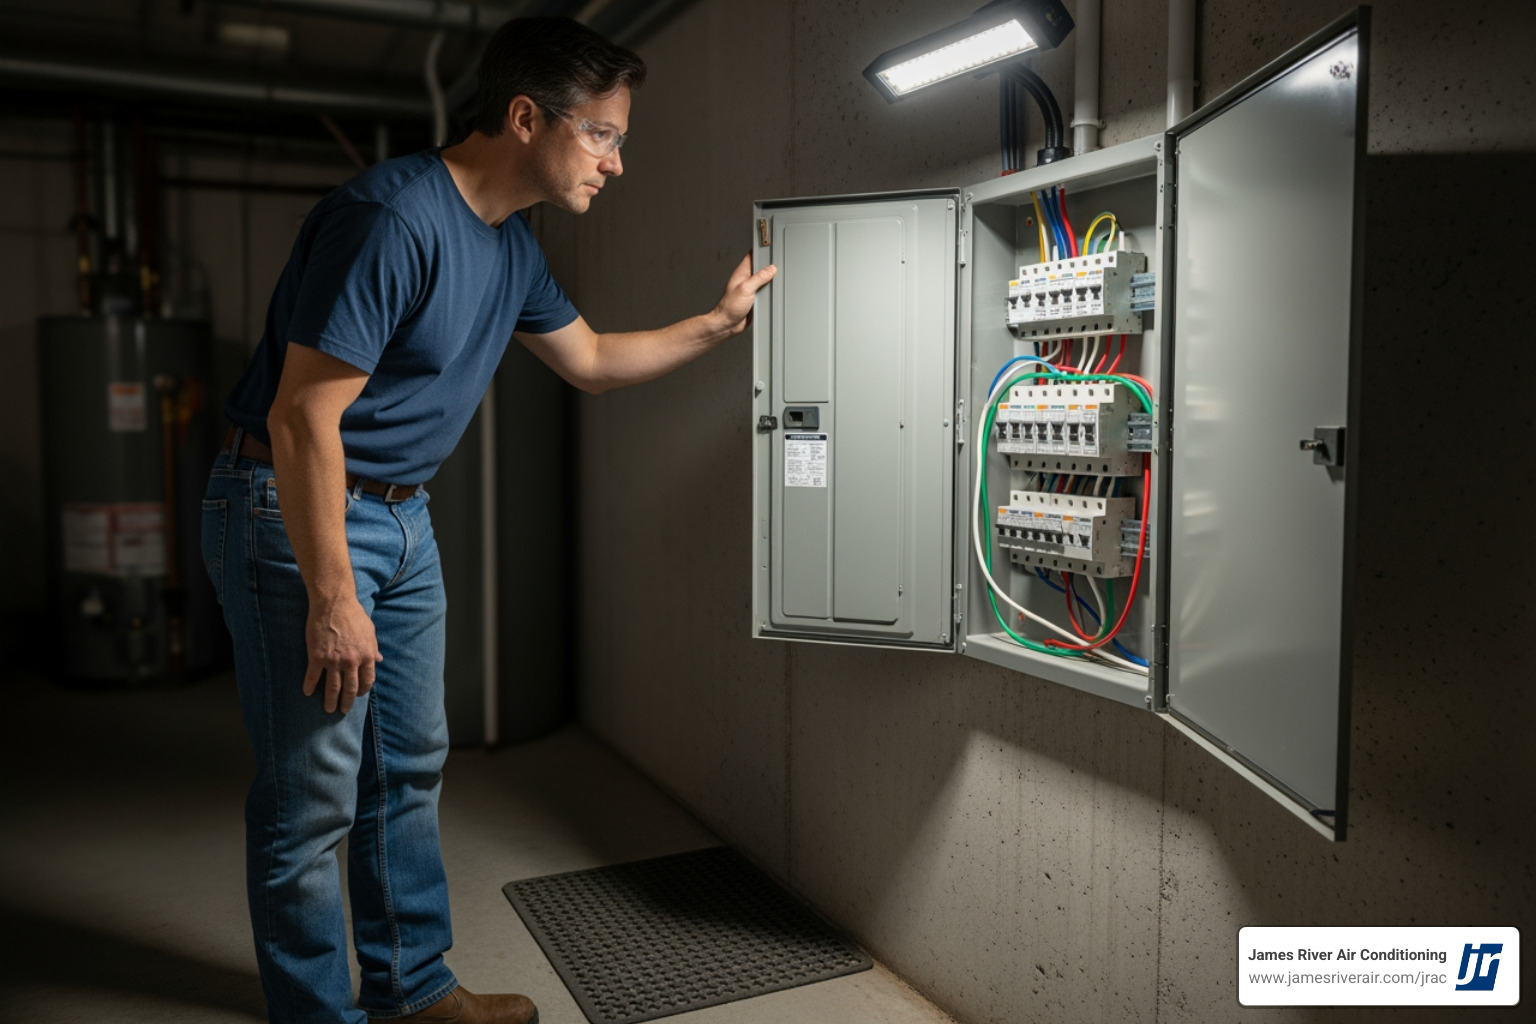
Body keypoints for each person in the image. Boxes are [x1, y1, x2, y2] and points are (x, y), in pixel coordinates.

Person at [201, 16, 775, 1024]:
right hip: (294, 512)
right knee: (315, 796)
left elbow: (591, 360)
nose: (619, 162)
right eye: (603, 134)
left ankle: (413, 990)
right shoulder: (391, 220)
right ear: (525, 118)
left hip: (401, 520)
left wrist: (718, 323)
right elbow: (301, 418)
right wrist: (333, 592)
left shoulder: (510, 248)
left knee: (410, 766)